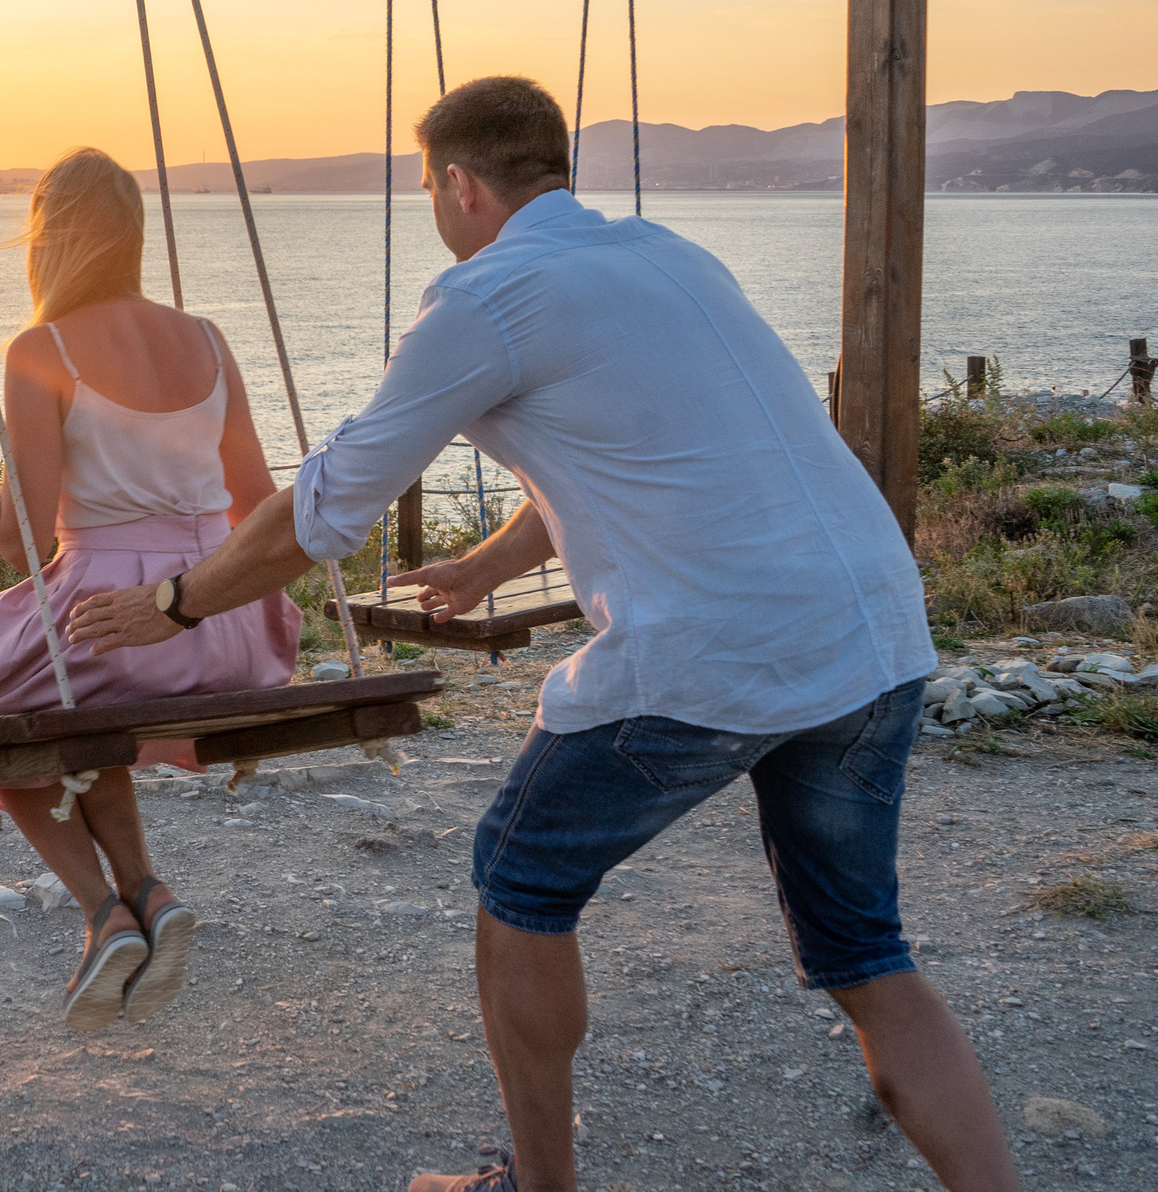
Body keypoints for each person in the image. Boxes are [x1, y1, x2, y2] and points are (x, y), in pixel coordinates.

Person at [65, 77, 1017, 1192]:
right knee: (868, 957)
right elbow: (631, 444)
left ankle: (536, 1187)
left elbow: (322, 509)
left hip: (710, 651)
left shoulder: (487, 296)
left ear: (459, 185)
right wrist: (482, 565)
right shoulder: (670, 257)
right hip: (873, 633)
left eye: (428, 186)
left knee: (518, 881)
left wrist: (177, 603)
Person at [0, 147, 302, 1032]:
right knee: (69, 692)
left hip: (114, 622)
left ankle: (105, 912)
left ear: (48, 242)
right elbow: (260, 507)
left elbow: (12, 540)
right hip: (227, 619)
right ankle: (149, 896)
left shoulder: (41, 350)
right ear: (133, 236)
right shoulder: (209, 339)